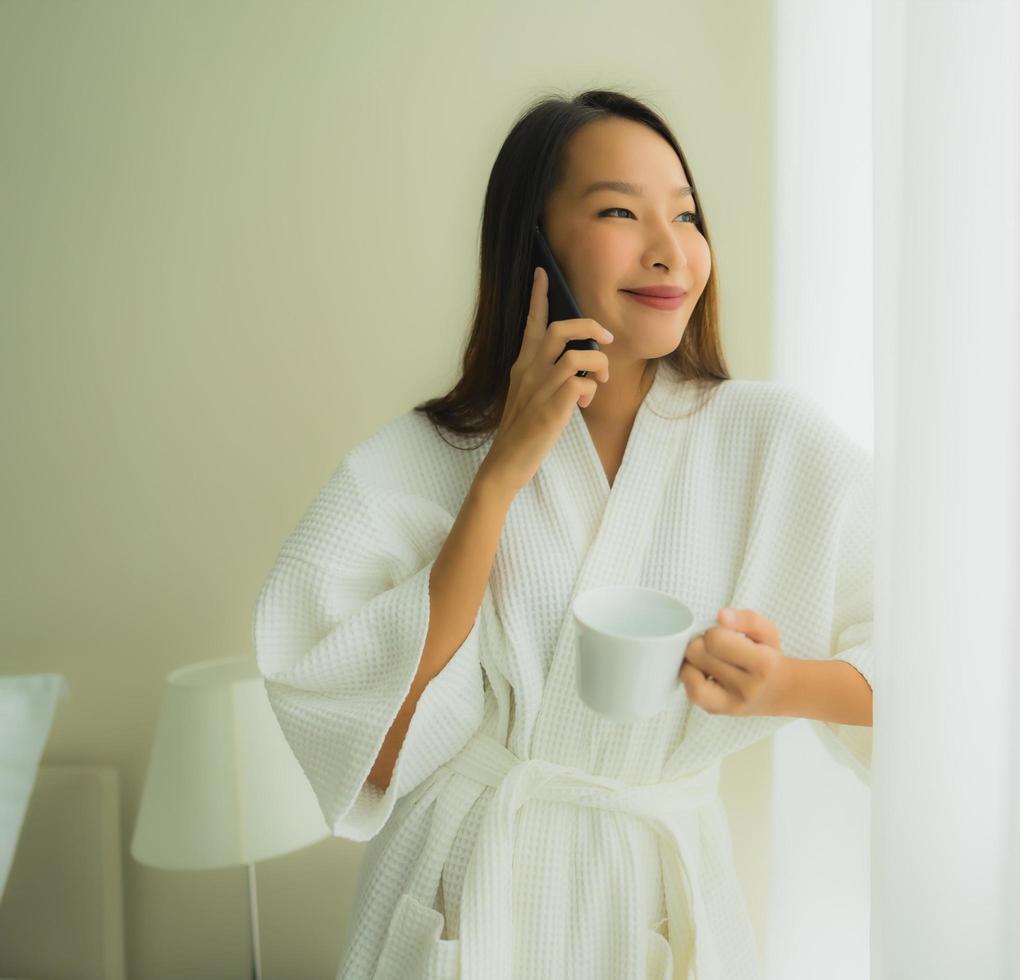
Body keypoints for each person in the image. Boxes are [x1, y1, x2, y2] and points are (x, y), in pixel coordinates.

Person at [253, 88, 875, 980]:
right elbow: (376, 748)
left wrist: (784, 683)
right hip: (465, 889)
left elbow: (944, 687)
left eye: (687, 214)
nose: (671, 249)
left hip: (656, 899)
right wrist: (500, 475)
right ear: (534, 244)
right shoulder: (427, 459)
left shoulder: (775, 445)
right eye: (621, 211)